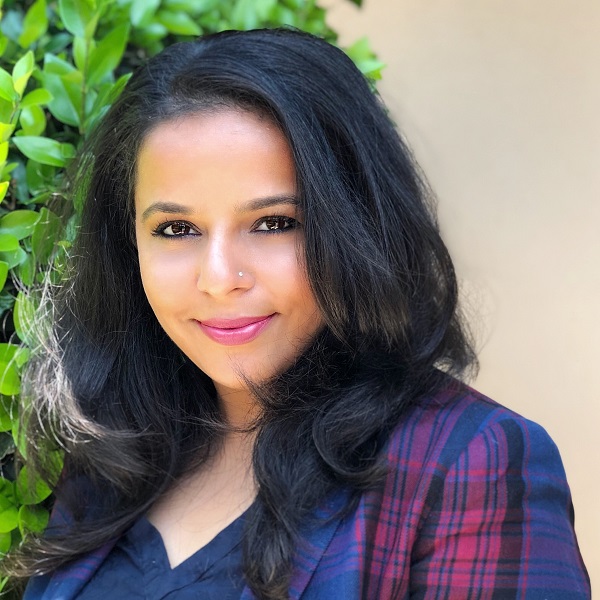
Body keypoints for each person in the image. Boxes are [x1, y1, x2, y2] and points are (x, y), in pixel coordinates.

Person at [7, 28, 588, 599]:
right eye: (176, 229)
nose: (218, 278)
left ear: (356, 225)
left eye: (274, 223)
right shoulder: (116, 451)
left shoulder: (468, 463)